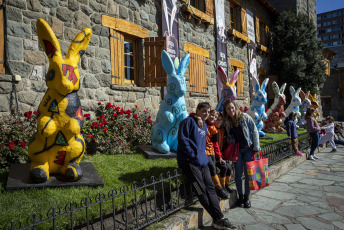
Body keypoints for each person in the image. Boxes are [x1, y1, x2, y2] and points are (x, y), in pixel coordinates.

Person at [177, 102, 237, 230]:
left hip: (202, 161)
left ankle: (219, 218)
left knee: (210, 188)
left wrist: (201, 157)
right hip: (189, 161)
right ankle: (218, 219)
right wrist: (193, 155)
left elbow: (203, 144)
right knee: (201, 190)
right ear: (197, 111)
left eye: (208, 111)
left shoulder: (203, 124)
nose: (206, 114)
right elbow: (183, 141)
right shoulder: (187, 122)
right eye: (203, 111)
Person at [222, 100, 261, 209]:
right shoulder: (227, 121)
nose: (231, 110)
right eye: (228, 109)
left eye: (232, 108)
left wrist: (256, 147)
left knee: (248, 174)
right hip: (237, 151)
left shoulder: (244, 117)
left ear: (236, 107)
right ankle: (240, 196)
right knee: (238, 175)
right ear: (226, 110)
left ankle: (247, 197)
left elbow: (254, 131)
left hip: (248, 149)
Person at [204, 110, 230, 199]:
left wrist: (219, 157)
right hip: (205, 152)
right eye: (212, 116)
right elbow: (192, 115)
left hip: (212, 153)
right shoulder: (203, 124)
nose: (214, 118)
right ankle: (218, 189)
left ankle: (221, 188)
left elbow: (216, 145)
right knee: (212, 168)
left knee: (222, 168)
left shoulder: (215, 130)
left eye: (215, 117)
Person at [214, 112, 233, 194]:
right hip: (215, 155)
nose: (219, 121)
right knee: (224, 168)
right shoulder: (212, 129)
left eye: (220, 120)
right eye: (217, 119)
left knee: (229, 168)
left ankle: (226, 185)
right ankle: (221, 187)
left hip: (221, 154)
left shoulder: (222, 130)